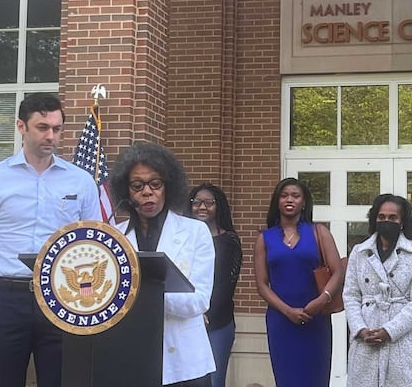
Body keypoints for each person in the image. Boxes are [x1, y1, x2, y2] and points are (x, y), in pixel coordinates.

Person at [0, 93, 102, 386]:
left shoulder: (81, 181)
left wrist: (91, 308)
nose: (51, 136)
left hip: (63, 297)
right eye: (42, 127)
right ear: (21, 126)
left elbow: (93, 248)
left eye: (57, 129)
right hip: (8, 298)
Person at [110, 142, 216, 387]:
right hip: (131, 358)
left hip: (184, 363)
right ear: (127, 192)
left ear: (168, 187)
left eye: (155, 184)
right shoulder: (114, 238)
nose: (147, 192)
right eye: (138, 186)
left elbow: (199, 300)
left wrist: (143, 299)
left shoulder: (195, 232)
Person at [254, 177, 342, 387]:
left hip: (315, 318)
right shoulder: (265, 238)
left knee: (316, 378)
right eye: (284, 195)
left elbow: (337, 272)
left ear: (304, 202)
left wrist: (322, 300)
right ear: (277, 201)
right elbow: (262, 285)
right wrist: (287, 311)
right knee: (287, 379)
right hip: (281, 320)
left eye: (295, 195)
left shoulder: (319, 232)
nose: (289, 199)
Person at [342, 194, 412, 387]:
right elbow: (350, 295)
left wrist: (389, 331)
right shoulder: (359, 252)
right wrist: (360, 329)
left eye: (392, 218)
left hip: (403, 337)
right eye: (381, 217)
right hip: (367, 333)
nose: (386, 221)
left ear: (402, 222)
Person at [186, 183, 243, 387]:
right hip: (185, 319)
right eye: (197, 202)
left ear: (219, 206)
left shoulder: (229, 240)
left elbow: (226, 284)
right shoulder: (182, 240)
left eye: (209, 202)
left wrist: (205, 312)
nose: (202, 207)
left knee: (213, 381)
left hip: (217, 323)